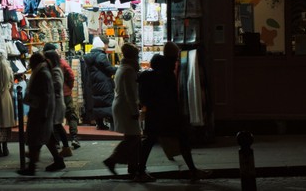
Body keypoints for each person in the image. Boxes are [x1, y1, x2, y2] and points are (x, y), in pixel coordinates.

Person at [135, 42, 212, 182]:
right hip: (168, 114)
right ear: (173, 56)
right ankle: (193, 172)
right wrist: (178, 113)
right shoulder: (167, 73)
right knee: (182, 141)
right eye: (176, 56)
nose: (177, 60)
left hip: (154, 113)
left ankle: (140, 171)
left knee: (149, 141)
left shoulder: (156, 72)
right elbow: (170, 97)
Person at [103, 43, 141, 178]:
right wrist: (135, 111)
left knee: (131, 137)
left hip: (121, 105)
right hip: (126, 107)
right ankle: (113, 160)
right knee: (134, 137)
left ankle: (132, 166)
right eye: (137, 55)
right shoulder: (129, 70)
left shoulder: (123, 68)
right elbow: (130, 93)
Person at [17, 52, 55, 176]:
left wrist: (44, 112)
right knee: (44, 137)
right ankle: (54, 160)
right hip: (41, 109)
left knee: (35, 138)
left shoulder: (42, 73)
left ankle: (32, 166)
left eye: (30, 61)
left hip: (40, 110)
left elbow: (46, 95)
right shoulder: (42, 71)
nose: (28, 64)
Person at [43, 43, 80, 150]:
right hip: (66, 94)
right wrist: (69, 87)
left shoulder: (47, 65)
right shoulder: (62, 63)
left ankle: (57, 141)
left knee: (55, 118)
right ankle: (74, 138)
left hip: (53, 96)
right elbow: (71, 76)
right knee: (71, 115)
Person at [83, 36, 117, 130]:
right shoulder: (101, 56)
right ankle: (113, 124)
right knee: (108, 102)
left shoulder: (89, 56)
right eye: (106, 45)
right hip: (104, 83)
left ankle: (100, 123)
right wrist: (118, 69)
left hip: (94, 83)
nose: (106, 47)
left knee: (98, 103)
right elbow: (109, 69)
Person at [43, 50, 67, 170]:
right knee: (55, 126)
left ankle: (64, 148)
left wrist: (47, 84)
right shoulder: (55, 69)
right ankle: (63, 148)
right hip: (56, 102)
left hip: (56, 102)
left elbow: (57, 84)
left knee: (56, 125)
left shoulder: (55, 70)